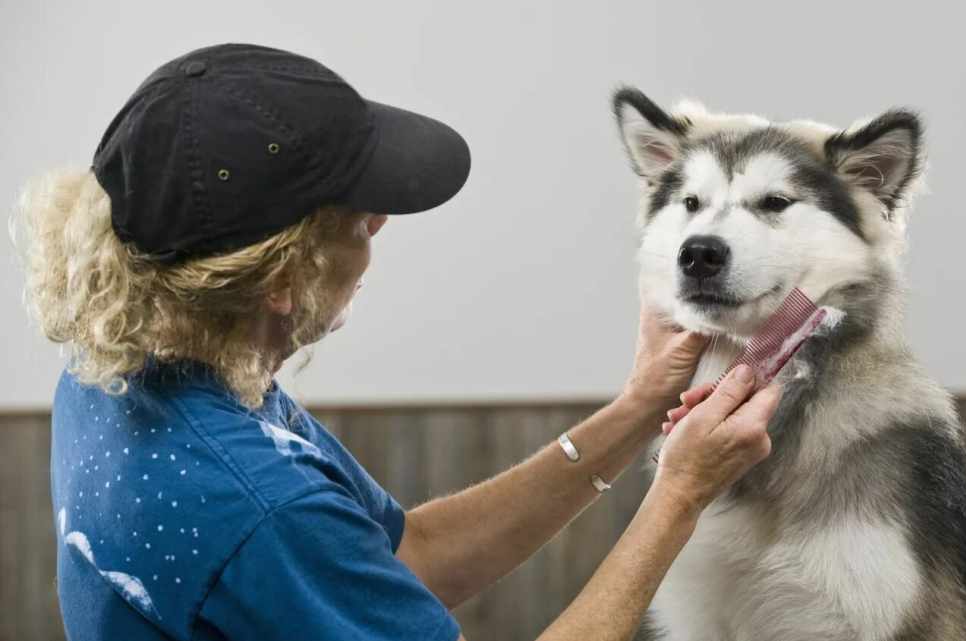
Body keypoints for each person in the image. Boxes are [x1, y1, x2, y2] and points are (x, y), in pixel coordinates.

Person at [12, 43, 779, 641]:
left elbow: (404, 559)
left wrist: (639, 407)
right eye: (359, 216)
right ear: (282, 278)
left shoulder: (131, 367)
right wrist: (677, 492)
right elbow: (299, 538)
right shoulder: (260, 509)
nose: (382, 222)